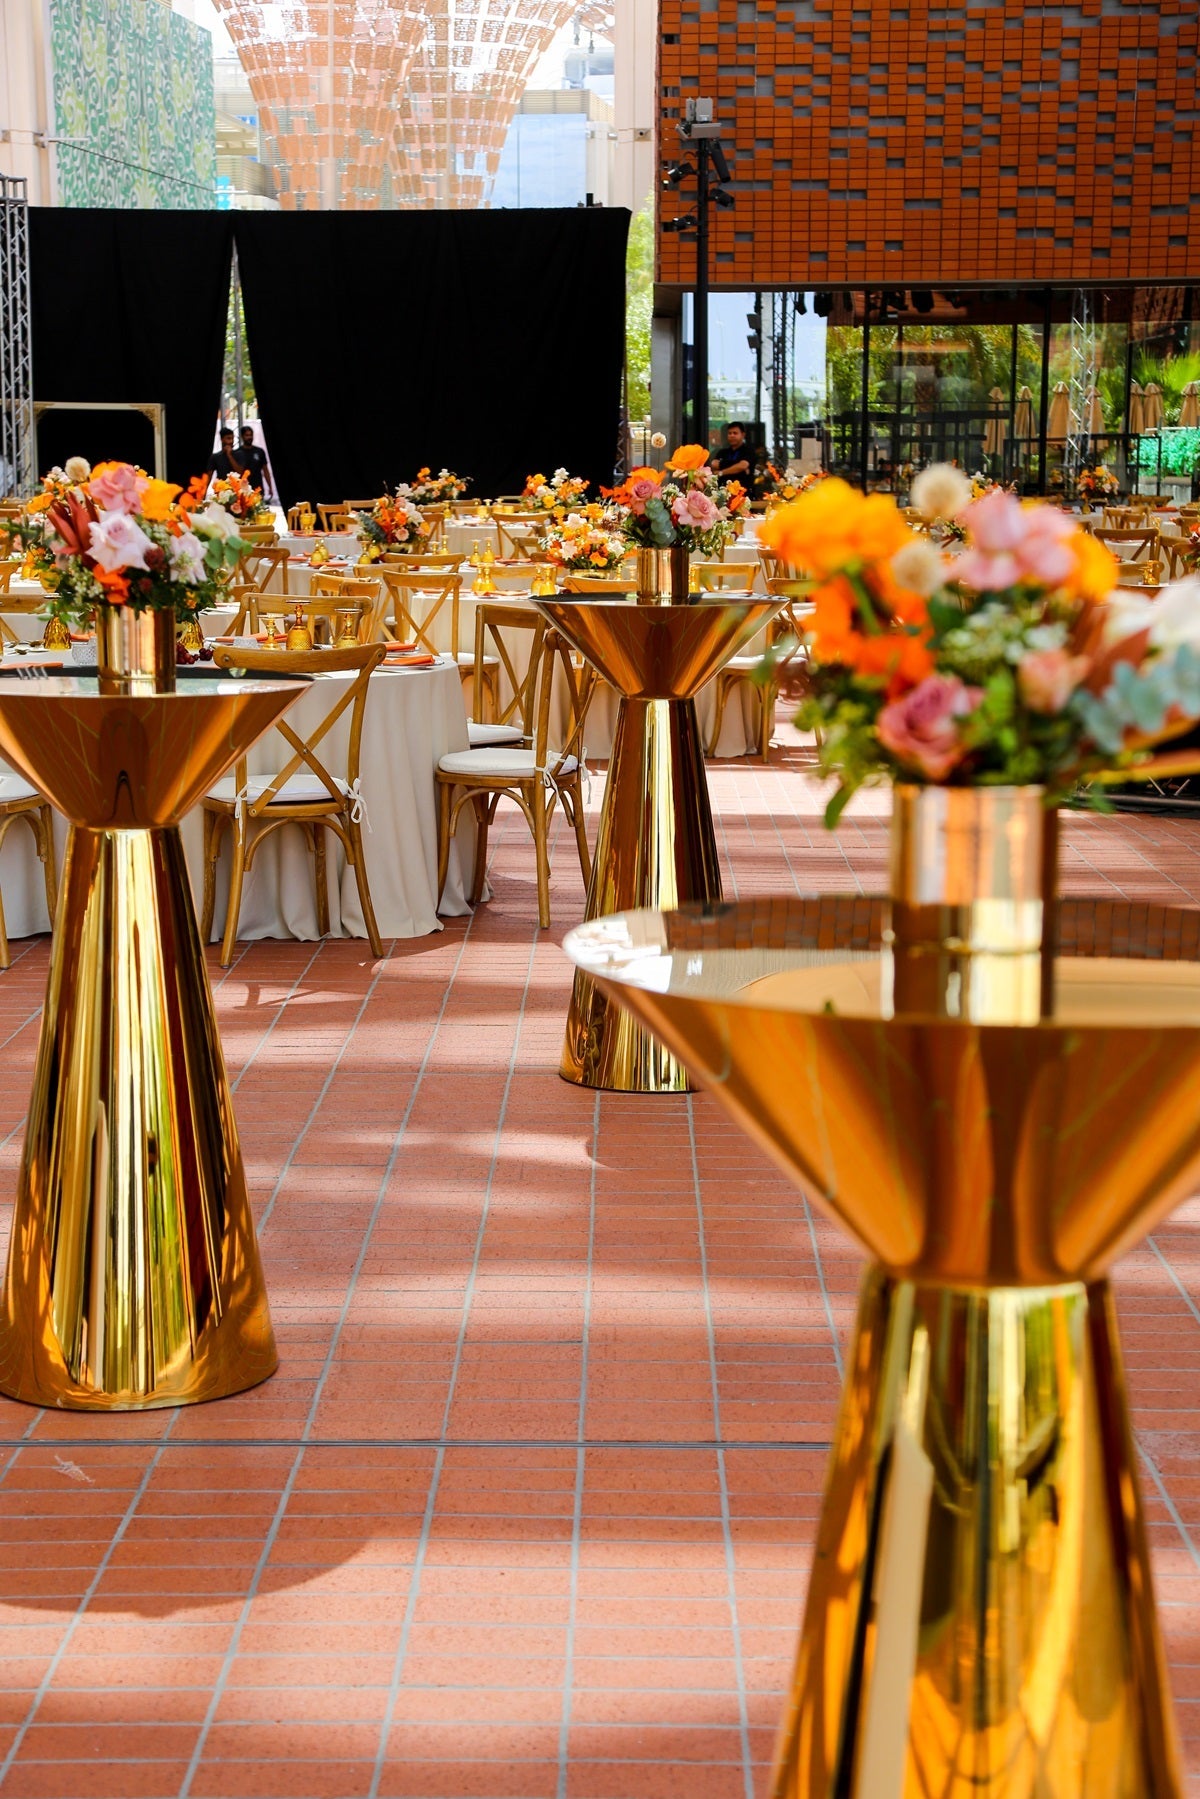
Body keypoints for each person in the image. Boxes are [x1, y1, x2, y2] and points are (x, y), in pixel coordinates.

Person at [236, 424, 274, 499]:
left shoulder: (259, 451)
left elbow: (265, 470)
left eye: (251, 435)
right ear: (242, 436)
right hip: (242, 490)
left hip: (258, 489)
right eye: (247, 435)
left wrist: (270, 486)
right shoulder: (237, 453)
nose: (249, 437)